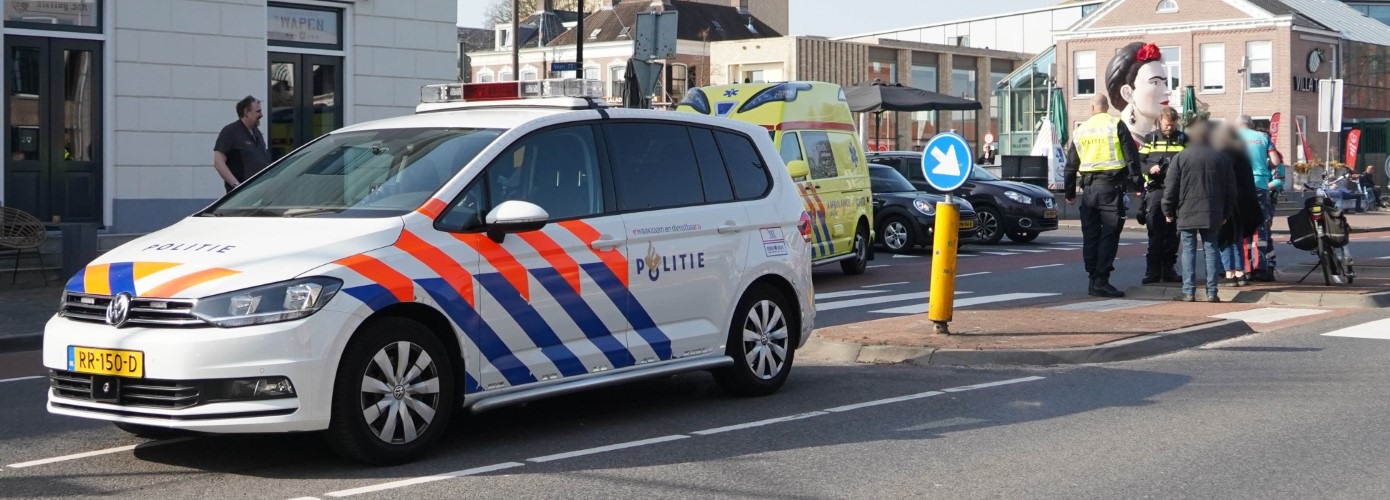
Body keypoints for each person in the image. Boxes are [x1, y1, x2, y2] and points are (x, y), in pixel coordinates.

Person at [1064, 94, 1144, 297]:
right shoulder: (1115, 124)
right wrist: (1137, 185)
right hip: (1110, 189)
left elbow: (1071, 164)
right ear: (1106, 107)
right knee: (1109, 235)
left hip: (1088, 191)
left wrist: (1069, 192)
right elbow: (1131, 156)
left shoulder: (1081, 130)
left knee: (1090, 236)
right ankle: (1101, 280)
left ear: (1092, 107)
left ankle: (1093, 279)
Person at [1163, 121, 1235, 302]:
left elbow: (1170, 187)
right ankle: (1212, 292)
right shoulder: (1223, 158)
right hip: (1213, 211)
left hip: (1186, 210)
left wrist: (1168, 210)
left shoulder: (1181, 157)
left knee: (1188, 249)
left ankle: (1189, 291)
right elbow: (1230, 189)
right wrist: (1226, 213)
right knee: (1211, 249)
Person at [1137, 106, 1186, 284]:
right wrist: (1150, 168)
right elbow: (1139, 162)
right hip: (1156, 189)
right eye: (1166, 125)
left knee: (1173, 233)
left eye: (1172, 125)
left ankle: (1169, 269)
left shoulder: (1183, 139)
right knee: (1155, 231)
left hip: (1177, 190)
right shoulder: (1150, 139)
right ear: (1160, 121)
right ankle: (1152, 271)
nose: (1169, 128)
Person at [1213, 123, 1263, 286]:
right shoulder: (1242, 155)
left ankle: (1229, 273)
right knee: (1237, 238)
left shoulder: (1221, 155)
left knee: (1225, 237)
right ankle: (1240, 271)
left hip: (1227, 201)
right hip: (1244, 202)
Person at [1105, 42, 1170, 142]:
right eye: (1155, 82)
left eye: (1165, 83)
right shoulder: (1117, 142)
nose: (1167, 91)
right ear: (1128, 93)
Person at [1237, 116, 1276, 280]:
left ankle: (1245, 269)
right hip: (1260, 185)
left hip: (1240, 186)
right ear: (1252, 125)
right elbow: (1275, 160)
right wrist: (1264, 166)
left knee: (1242, 228)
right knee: (1260, 228)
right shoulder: (1263, 137)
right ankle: (1260, 267)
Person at [213, 95, 271, 192]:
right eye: (258, 111)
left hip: (261, 192)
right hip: (243, 195)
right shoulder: (230, 131)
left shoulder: (256, 132)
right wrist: (237, 186)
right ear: (246, 112)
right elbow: (218, 162)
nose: (261, 115)